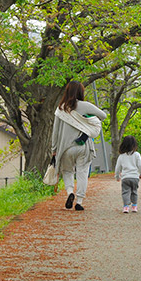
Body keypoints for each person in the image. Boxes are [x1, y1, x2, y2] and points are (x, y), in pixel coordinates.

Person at [51, 80, 106, 211]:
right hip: (83, 146)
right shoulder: (86, 106)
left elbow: (55, 132)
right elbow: (103, 116)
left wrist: (54, 150)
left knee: (68, 172)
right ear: (81, 92)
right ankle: (79, 201)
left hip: (66, 148)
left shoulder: (61, 109)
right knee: (82, 173)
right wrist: (87, 119)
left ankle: (70, 192)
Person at [115, 135, 141, 213]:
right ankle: (134, 206)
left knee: (125, 192)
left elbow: (117, 168)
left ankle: (126, 207)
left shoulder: (121, 156)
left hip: (125, 177)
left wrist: (117, 176)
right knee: (134, 191)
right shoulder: (137, 155)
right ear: (134, 145)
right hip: (135, 177)